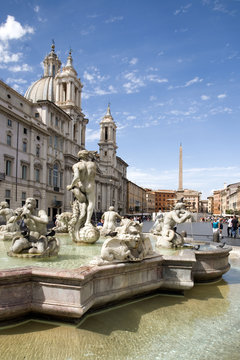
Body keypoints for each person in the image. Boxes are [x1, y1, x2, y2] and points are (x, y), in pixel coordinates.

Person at [67, 150, 97, 226]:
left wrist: (71, 185)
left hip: (81, 185)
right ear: (87, 156)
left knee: (82, 201)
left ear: (79, 156)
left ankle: (79, 217)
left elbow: (76, 177)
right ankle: (87, 221)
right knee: (91, 203)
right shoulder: (93, 165)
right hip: (90, 186)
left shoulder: (76, 165)